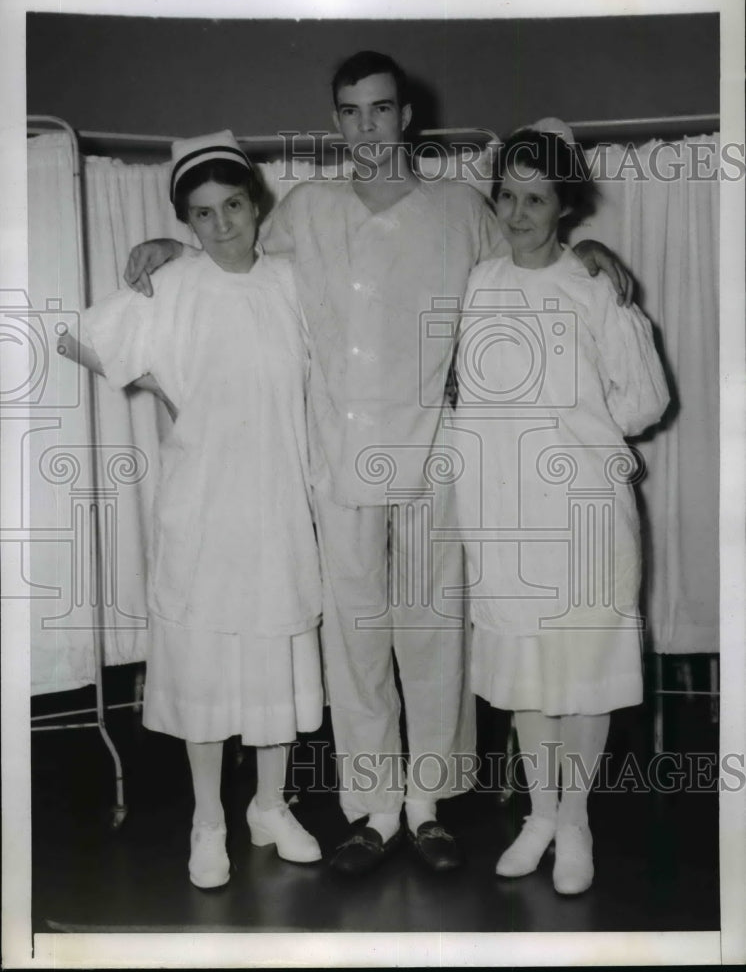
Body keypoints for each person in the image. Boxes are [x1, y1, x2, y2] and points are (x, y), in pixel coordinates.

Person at [123, 52, 634, 876]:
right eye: (351, 112)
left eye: (381, 109)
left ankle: (428, 805)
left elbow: (529, 255)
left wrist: (595, 253)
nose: (367, 126)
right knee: (356, 642)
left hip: (436, 455)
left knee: (434, 636)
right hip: (337, 457)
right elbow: (232, 260)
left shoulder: (461, 209)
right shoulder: (304, 211)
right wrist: (164, 247)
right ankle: (374, 808)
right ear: (337, 122)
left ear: (406, 118)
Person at [59, 131, 324, 889]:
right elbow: (78, 337)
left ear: (255, 203)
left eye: (232, 205)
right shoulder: (172, 285)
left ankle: (269, 807)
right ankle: (208, 818)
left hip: (278, 502)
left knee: (277, 654)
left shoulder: (292, 282)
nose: (221, 224)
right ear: (187, 222)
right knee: (206, 663)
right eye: (201, 214)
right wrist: (169, 386)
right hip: (203, 506)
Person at [452, 123, 669, 893]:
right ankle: (538, 814)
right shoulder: (477, 284)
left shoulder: (591, 286)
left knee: (581, 672)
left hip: (582, 511)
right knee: (525, 676)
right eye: (507, 195)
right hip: (504, 514)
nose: (518, 212)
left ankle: (574, 821)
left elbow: (645, 403)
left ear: (564, 204)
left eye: (536, 198)